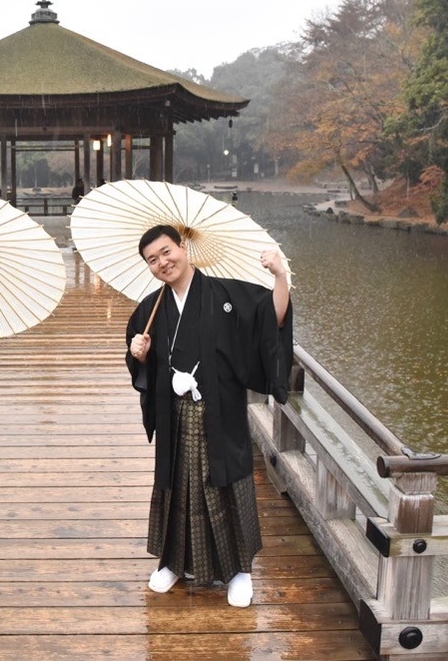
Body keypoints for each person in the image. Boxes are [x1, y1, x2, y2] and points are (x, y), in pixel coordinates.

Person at [125, 225, 291, 608]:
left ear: (183, 247)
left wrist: (280, 275)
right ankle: (172, 563)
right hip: (174, 414)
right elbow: (139, 359)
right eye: (153, 260)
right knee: (178, 485)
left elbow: (273, 318)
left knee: (225, 486)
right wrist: (139, 353)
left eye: (167, 252)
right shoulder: (150, 309)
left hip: (220, 412)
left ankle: (238, 571)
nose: (162, 262)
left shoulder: (228, 294)